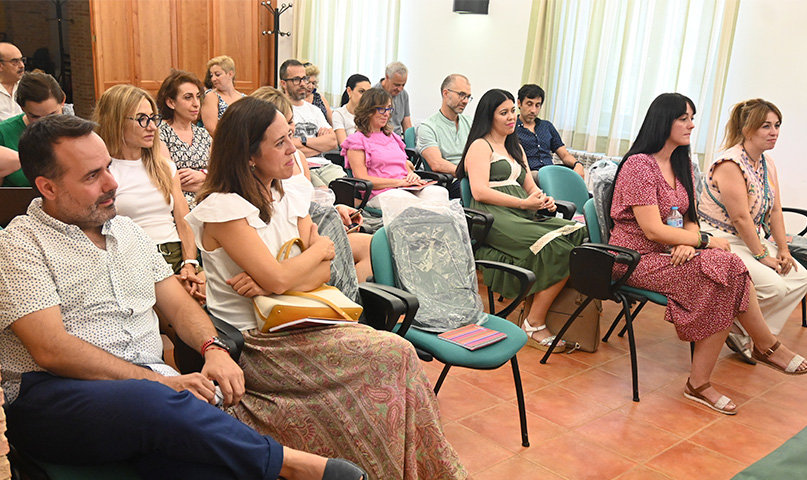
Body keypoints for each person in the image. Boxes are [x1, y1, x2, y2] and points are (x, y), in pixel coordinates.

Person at [0, 114, 369, 480]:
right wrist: (158, 382)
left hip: (147, 398)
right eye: (92, 176)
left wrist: (213, 348)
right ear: (47, 187)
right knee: (154, 400)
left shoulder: (126, 231)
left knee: (206, 464)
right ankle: (294, 466)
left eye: (108, 168)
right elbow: (51, 349)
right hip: (54, 398)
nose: (112, 183)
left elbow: (178, 304)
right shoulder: (20, 245)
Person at [184, 97, 467, 480]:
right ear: (249, 155)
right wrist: (306, 257)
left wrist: (285, 271)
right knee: (396, 353)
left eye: (291, 137)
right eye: (280, 142)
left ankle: (418, 471)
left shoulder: (285, 193)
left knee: (397, 361)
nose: (293, 148)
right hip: (260, 340)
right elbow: (291, 275)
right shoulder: (224, 207)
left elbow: (322, 272)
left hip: (304, 316)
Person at [608, 93, 807, 415]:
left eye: (693, 117)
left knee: (725, 273)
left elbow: (688, 215)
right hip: (635, 258)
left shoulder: (683, 163)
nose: (691, 125)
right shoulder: (639, 166)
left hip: (674, 252)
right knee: (724, 271)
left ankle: (708, 379)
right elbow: (652, 230)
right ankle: (761, 348)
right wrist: (701, 240)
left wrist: (689, 239)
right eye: (683, 118)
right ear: (663, 121)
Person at [455, 88, 587, 353]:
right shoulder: (480, 146)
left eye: (511, 111)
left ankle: (533, 314)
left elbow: (529, 186)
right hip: (494, 217)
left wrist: (543, 199)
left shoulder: (514, 146)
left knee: (578, 235)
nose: (511, 117)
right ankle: (534, 322)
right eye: (503, 113)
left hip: (522, 212)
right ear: (488, 116)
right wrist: (524, 203)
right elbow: (479, 191)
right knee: (551, 245)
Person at [698, 98, 807, 362]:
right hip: (723, 240)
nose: (774, 132)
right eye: (766, 126)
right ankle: (754, 337)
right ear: (748, 129)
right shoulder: (730, 163)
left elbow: (775, 210)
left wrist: (783, 250)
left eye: (777, 125)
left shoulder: (767, 163)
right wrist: (763, 256)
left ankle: (745, 334)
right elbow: (739, 218)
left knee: (799, 279)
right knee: (773, 286)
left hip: (751, 239)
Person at [92, 84, 204, 301]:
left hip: (174, 256)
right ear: (116, 121)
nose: (152, 126)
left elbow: (183, 220)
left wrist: (190, 263)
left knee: (200, 292)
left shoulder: (164, 167)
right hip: (130, 261)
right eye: (142, 119)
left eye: (154, 118)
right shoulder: (104, 173)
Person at [251, 86, 373, 282]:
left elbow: (308, 199)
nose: (292, 127)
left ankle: (355, 298)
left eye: (291, 121)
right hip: (294, 237)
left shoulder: (298, 157)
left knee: (374, 246)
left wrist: (336, 208)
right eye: (287, 123)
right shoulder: (261, 178)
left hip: (311, 227)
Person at [342, 88, 449, 210]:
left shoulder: (392, 137)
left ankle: (438, 226)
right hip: (380, 193)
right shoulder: (356, 141)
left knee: (439, 193)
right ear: (368, 110)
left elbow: (403, 164)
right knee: (410, 202)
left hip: (404, 187)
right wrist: (398, 183)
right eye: (382, 109)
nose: (387, 114)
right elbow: (362, 179)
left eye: (388, 109)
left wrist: (411, 175)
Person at [156, 69, 212, 209]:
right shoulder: (160, 132)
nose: (196, 104)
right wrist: (208, 181)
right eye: (188, 97)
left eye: (198, 97)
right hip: (177, 203)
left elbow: (220, 174)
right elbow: (168, 179)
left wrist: (204, 175)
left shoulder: (203, 134)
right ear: (171, 103)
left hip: (208, 199)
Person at [0, 71, 65, 186]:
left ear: (62, 102)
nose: (45, 124)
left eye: (52, 115)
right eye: (35, 116)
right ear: (22, 108)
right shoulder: (4, 133)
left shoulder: (75, 132)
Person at [416, 73, 474, 198]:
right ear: (446, 93)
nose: (465, 101)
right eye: (461, 95)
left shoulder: (469, 122)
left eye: (468, 97)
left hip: (473, 176)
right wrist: (468, 172)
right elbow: (436, 163)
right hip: (452, 182)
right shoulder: (428, 126)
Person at [515, 84, 584, 183]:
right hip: (529, 174)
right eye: (529, 104)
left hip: (550, 172)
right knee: (551, 180)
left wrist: (578, 164)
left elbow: (564, 155)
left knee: (574, 180)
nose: (533, 110)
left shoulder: (546, 126)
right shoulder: (512, 128)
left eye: (537, 105)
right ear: (519, 103)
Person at [279, 59, 337, 161]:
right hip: (298, 165)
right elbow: (286, 146)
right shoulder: (279, 110)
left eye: (304, 79)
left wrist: (303, 140)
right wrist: (320, 145)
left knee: (342, 177)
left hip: (324, 165)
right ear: (284, 83)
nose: (303, 84)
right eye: (296, 79)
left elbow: (333, 142)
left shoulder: (314, 110)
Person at [200, 55, 244, 135]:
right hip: (220, 142)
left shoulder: (244, 98)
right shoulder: (211, 96)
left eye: (217, 74)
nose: (213, 79)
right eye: (211, 75)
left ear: (230, 74)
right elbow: (211, 128)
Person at [332, 73, 371, 146]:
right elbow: (344, 144)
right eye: (361, 91)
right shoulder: (339, 114)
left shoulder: (371, 113)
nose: (366, 96)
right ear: (349, 91)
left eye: (368, 93)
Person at [375, 61, 411, 137]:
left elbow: (407, 125)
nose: (400, 89)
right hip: (378, 138)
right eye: (397, 85)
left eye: (403, 85)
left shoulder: (404, 94)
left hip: (397, 140)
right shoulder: (373, 94)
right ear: (387, 77)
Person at [0, 42, 24, 121]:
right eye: (15, 62)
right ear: (0, 66)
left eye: (22, 60)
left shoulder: (28, 85)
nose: (22, 65)